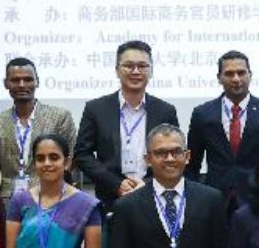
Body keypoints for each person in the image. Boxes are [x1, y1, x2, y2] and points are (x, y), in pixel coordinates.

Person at [73, 40, 180, 209]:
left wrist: (148, 184)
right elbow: (82, 154)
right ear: (117, 70)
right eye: (128, 66)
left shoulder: (165, 111)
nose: (135, 71)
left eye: (142, 66)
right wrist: (115, 184)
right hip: (110, 198)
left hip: (155, 197)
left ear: (151, 71)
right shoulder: (96, 109)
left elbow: (174, 156)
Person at [188, 50, 259, 210]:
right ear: (219, 78)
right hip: (214, 200)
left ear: (250, 75)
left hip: (258, 199)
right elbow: (192, 164)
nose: (236, 79)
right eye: (229, 74)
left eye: (241, 73)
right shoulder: (202, 114)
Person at [0, 57, 77, 200]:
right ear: (6, 83)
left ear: (37, 82)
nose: (21, 85)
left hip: (51, 198)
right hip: (9, 203)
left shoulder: (60, 117)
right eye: (15, 80)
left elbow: (71, 161)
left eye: (28, 79)